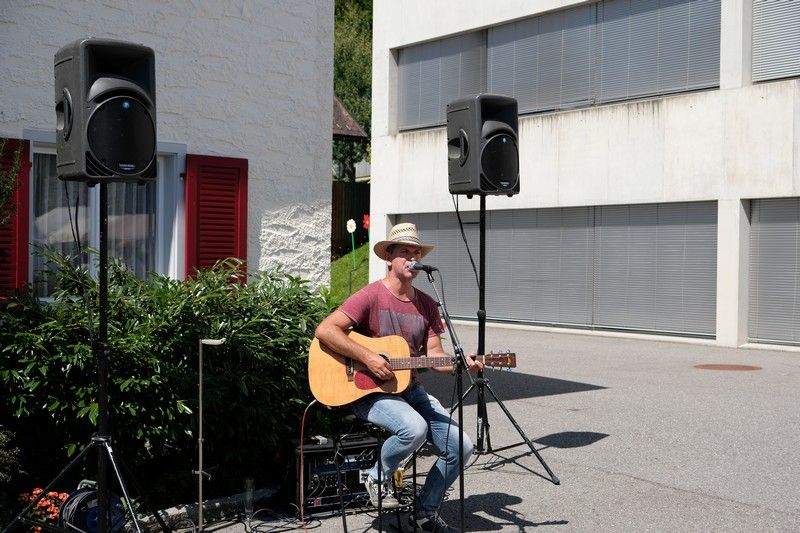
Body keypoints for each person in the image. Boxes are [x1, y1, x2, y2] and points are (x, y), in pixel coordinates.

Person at [314, 222, 483, 532]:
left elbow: (435, 355)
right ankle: (376, 476)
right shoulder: (370, 296)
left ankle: (425, 513)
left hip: (410, 390)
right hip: (368, 391)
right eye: (405, 252)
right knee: (414, 429)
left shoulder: (427, 304)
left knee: (462, 446)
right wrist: (367, 356)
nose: (412, 258)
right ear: (388, 257)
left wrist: (462, 364)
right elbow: (325, 330)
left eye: (416, 253)